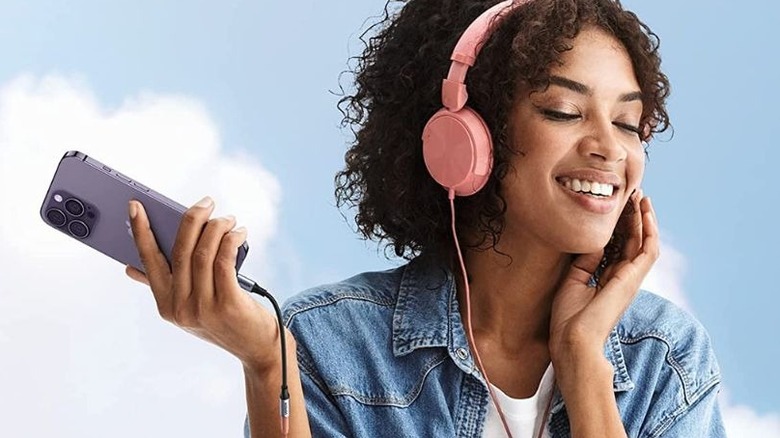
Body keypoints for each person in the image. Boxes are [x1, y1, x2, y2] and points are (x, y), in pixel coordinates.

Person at [125, 0, 726, 436]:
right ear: (464, 142)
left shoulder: (663, 356)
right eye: (564, 110)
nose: (609, 148)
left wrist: (584, 359)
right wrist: (266, 365)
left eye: (627, 123)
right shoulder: (333, 346)